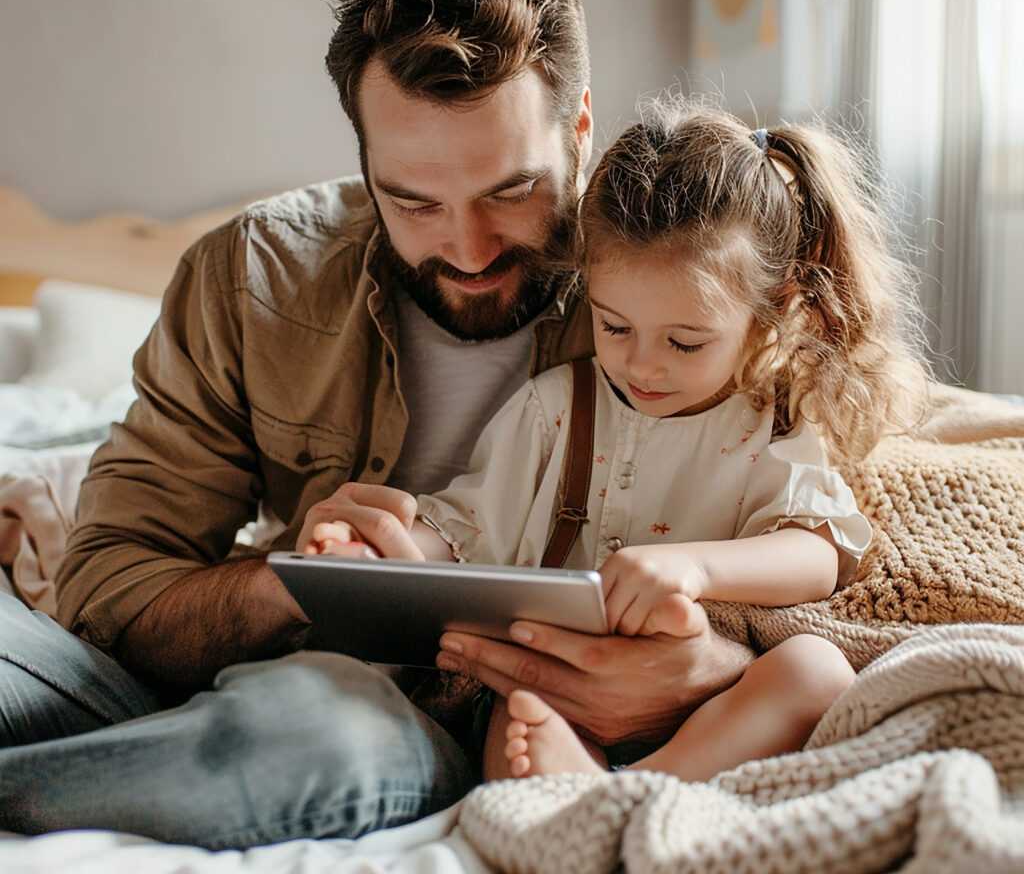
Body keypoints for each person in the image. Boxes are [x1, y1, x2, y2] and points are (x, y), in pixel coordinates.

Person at [0, 0, 754, 847]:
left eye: (511, 192)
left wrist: (712, 664)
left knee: (312, 730)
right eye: (415, 202)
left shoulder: (688, 273)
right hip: (254, 662)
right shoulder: (253, 278)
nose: (470, 251)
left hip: (414, 716)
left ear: (581, 126)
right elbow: (109, 590)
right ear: (363, 161)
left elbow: (848, 546)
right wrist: (301, 584)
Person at [302, 98, 930, 781]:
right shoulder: (554, 410)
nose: (642, 365)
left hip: (709, 696)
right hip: (560, 678)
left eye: (685, 342)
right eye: (614, 326)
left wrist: (696, 568)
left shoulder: (771, 424)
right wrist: (367, 551)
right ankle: (574, 798)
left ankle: (646, 793)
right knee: (523, 708)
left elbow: (819, 552)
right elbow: (465, 532)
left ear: (770, 313)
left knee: (815, 670)